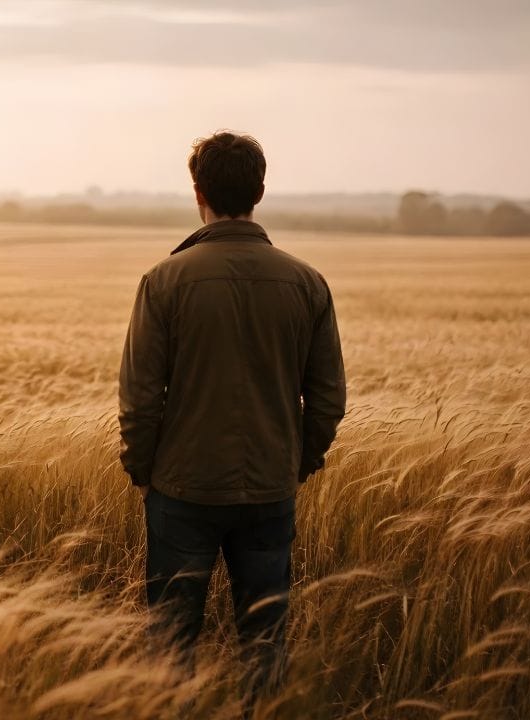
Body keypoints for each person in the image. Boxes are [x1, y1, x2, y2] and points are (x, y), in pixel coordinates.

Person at [118, 131, 346, 688]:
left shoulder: (164, 280)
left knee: (171, 642)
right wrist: (297, 462)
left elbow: (141, 399)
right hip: (270, 487)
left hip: (182, 489)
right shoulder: (307, 282)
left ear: (197, 190)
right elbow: (327, 400)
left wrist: (145, 471)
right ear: (260, 191)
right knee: (265, 640)